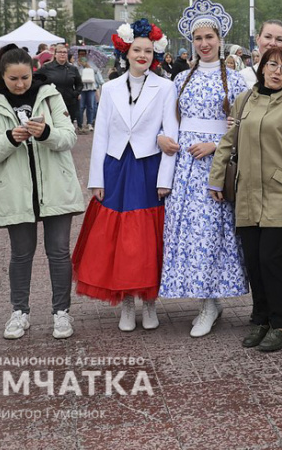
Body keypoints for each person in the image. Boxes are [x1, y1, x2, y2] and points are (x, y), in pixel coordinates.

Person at [72, 19, 178, 332]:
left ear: (154, 54)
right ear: (126, 51)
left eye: (148, 50)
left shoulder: (166, 87)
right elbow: (101, 136)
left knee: (146, 240)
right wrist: (97, 180)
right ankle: (127, 304)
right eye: (137, 50)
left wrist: (165, 180)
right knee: (119, 240)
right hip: (116, 168)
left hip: (148, 168)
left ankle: (149, 303)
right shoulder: (110, 88)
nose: (142, 55)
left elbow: (170, 135)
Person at [0, 44, 85, 341]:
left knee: (59, 253)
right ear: (2, 76)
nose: (21, 84)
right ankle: (19, 312)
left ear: (32, 72)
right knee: (21, 254)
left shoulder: (48, 95)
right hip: (15, 189)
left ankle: (61, 313)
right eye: (14, 79)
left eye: (25, 77)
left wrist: (46, 133)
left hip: (54, 186)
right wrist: (10, 138)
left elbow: (69, 137)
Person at [209, 47, 282, 352]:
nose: (277, 71)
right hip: (247, 193)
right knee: (253, 259)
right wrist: (216, 177)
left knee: (271, 259)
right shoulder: (244, 100)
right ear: (262, 67)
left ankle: (280, 322)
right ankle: (260, 318)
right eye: (272, 65)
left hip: (281, 193)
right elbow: (229, 142)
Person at [159, 0, 249, 337]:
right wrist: (161, 139)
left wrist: (216, 145)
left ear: (220, 39)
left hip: (216, 165)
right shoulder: (181, 78)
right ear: (191, 42)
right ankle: (204, 299)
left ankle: (211, 301)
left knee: (213, 234)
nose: (204, 44)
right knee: (189, 233)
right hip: (185, 167)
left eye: (209, 37)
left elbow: (245, 124)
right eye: (198, 39)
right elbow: (169, 121)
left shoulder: (237, 80)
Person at [36, 43, 82, 126]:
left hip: (69, 102)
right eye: (60, 52)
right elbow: (35, 78)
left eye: (64, 52)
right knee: (54, 125)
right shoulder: (47, 67)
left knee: (68, 125)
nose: (62, 54)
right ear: (55, 54)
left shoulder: (72, 68)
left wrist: (75, 94)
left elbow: (79, 84)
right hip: (52, 102)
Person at [241, 20, 282, 88]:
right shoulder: (242, 76)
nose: (272, 43)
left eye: (279, 40)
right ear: (258, 39)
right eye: (268, 37)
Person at [76, 56, 104, 134]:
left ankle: (89, 123)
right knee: (81, 107)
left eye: (84, 61)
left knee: (91, 106)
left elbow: (97, 75)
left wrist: (90, 68)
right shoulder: (78, 68)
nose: (83, 62)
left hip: (91, 88)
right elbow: (77, 77)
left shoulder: (93, 68)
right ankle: (80, 124)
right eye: (82, 61)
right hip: (82, 89)